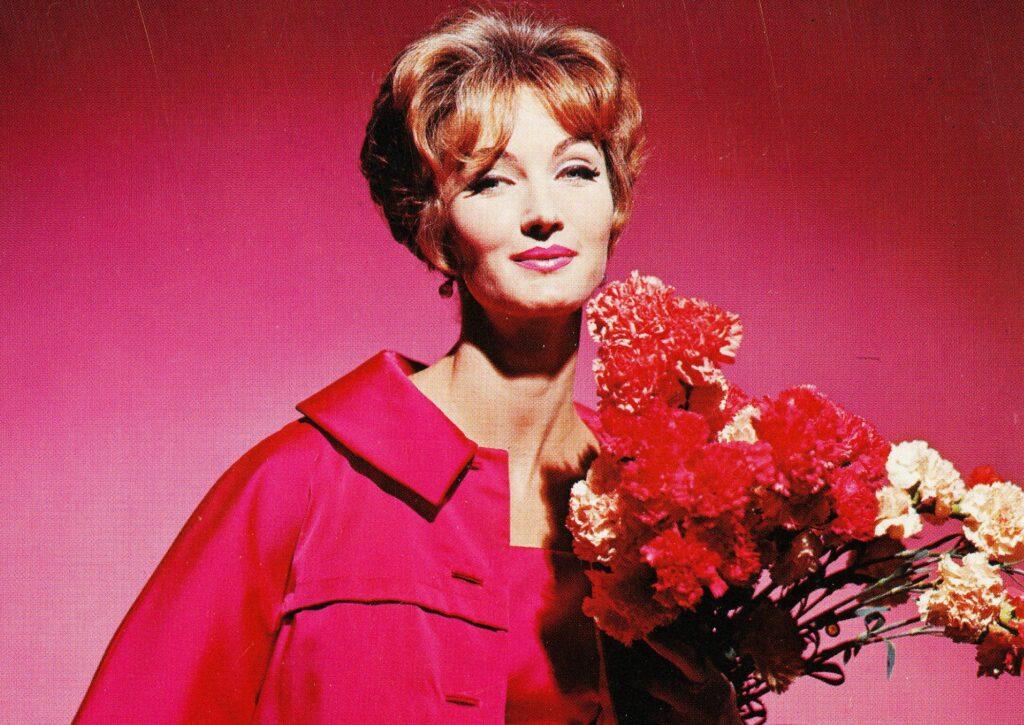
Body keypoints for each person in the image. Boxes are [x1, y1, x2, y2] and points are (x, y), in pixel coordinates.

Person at [74, 5, 741, 723]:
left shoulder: (663, 506)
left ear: (614, 203)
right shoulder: (299, 486)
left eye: (576, 170)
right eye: (491, 181)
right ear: (432, 230)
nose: (543, 211)